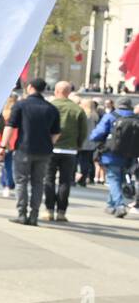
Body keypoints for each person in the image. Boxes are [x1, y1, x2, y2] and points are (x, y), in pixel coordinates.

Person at [0, 78, 60, 226]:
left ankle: (22, 214)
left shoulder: (21, 105)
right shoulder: (51, 108)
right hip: (44, 151)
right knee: (38, 183)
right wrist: (48, 144)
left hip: (24, 149)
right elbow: (56, 133)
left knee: (21, 181)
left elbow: (10, 126)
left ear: (30, 87)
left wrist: (3, 147)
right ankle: (34, 215)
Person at [44, 81, 87, 222]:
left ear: (56, 91)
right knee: (65, 181)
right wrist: (78, 144)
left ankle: (49, 210)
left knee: (49, 179)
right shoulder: (77, 109)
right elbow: (83, 131)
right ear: (69, 92)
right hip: (69, 150)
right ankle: (61, 212)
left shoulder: (49, 107)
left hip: (50, 148)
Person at [89, 96, 138, 218]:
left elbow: (97, 134)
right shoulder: (136, 118)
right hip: (130, 154)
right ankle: (110, 205)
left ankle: (119, 205)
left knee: (113, 178)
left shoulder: (111, 116)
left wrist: (94, 139)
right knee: (119, 179)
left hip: (111, 153)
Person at [77, 98, 101, 187]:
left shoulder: (84, 115)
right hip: (91, 141)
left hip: (83, 140)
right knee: (88, 161)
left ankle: (82, 177)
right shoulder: (95, 115)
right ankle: (87, 177)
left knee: (82, 161)